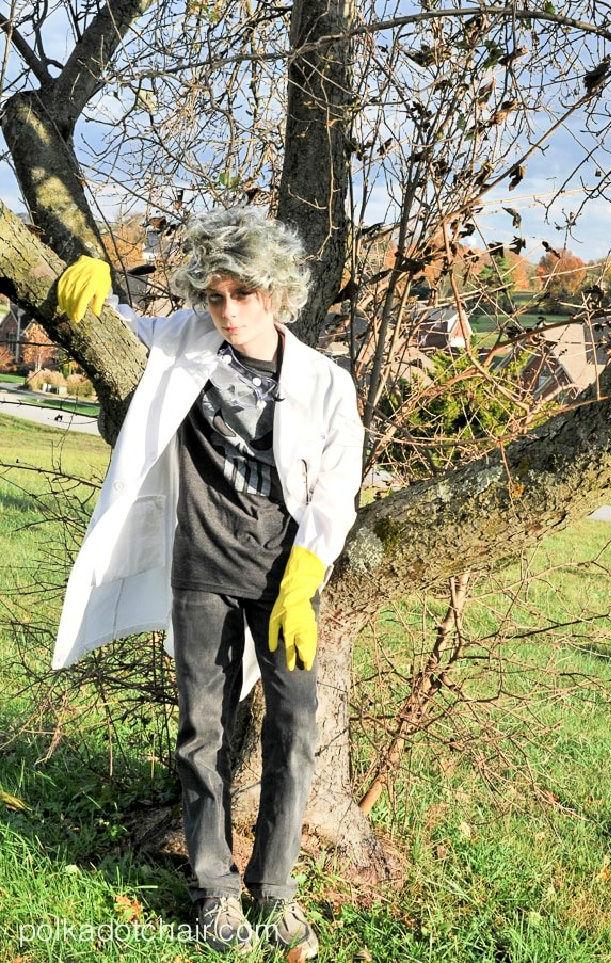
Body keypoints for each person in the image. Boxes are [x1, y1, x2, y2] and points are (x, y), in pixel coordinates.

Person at [54, 208, 364, 957]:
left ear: (277, 292)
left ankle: (277, 891)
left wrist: (304, 579)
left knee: (293, 733)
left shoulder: (323, 382)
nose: (228, 311)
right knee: (202, 733)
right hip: (200, 575)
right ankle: (214, 889)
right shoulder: (186, 342)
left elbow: (336, 488)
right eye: (216, 295)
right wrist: (91, 281)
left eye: (243, 295)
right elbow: (121, 325)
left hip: (282, 583)